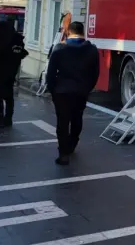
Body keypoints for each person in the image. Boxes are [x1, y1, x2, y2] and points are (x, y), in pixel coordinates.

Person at [45, 21, 100, 165]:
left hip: (62, 91)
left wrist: (52, 89)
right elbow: (95, 73)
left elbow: (51, 73)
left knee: (62, 122)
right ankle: (72, 144)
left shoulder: (60, 48)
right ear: (83, 32)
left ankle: (63, 154)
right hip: (81, 91)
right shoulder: (92, 50)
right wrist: (87, 88)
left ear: (68, 32)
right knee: (77, 118)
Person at [0, 20, 28, 128]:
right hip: (11, 73)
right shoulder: (18, 40)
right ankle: (8, 119)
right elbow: (23, 53)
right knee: (9, 97)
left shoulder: (4, 39)